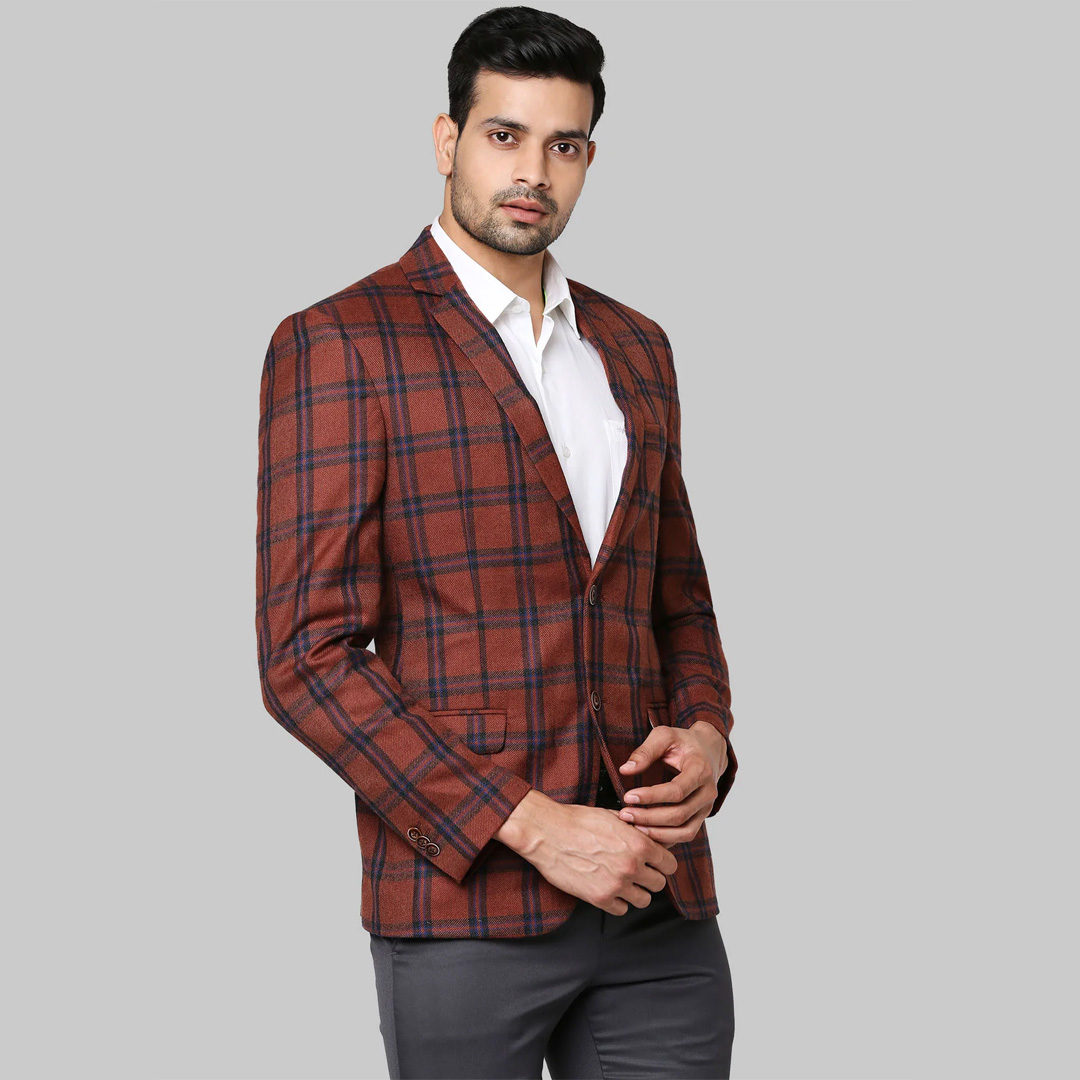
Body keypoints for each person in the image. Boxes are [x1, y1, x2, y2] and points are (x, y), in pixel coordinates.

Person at [255, 6, 739, 1077]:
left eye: (564, 145)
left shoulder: (636, 346)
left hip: (658, 900)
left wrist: (708, 733)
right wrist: (527, 822)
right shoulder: (340, 344)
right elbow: (304, 658)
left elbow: (678, 597)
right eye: (504, 135)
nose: (532, 172)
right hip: (465, 899)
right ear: (448, 140)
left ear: (589, 160)